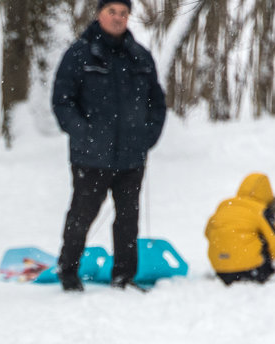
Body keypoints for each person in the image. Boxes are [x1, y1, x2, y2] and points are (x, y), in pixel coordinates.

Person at [51, 0, 167, 291]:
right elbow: (62, 101)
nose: (118, 18)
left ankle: (124, 276)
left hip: (131, 157)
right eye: (111, 12)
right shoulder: (79, 54)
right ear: (99, 14)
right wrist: (84, 134)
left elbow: (157, 103)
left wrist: (147, 137)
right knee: (81, 217)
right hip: (90, 158)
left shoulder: (140, 57)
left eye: (123, 13)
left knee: (128, 220)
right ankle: (68, 272)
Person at [204, 173, 275, 285]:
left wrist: (226, 252)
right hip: (251, 270)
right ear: (267, 193)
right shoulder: (260, 210)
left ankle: (228, 265)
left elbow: (208, 232)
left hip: (221, 270)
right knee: (264, 238)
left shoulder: (225, 206)